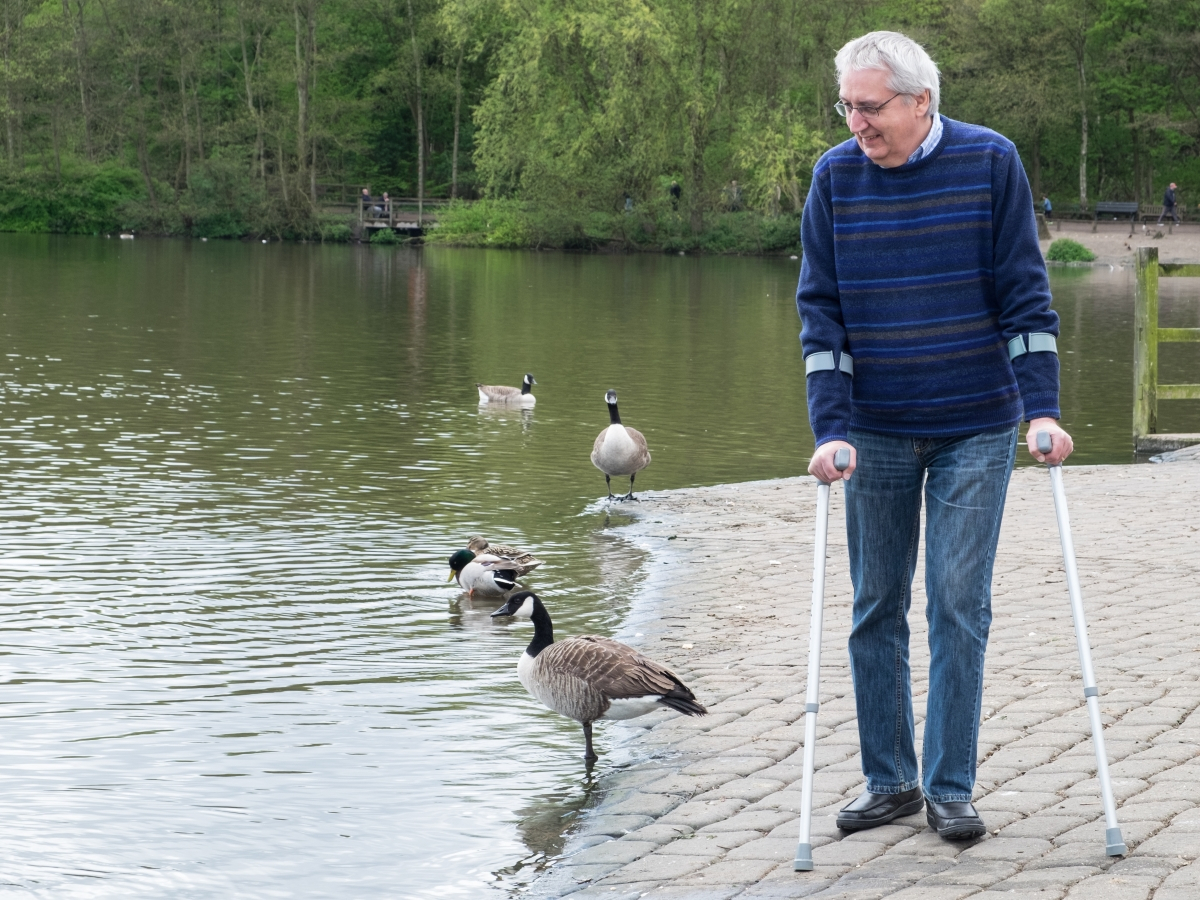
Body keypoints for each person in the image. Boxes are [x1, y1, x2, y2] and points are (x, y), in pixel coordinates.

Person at [797, 31, 1071, 842]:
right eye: (846, 106)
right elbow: (821, 312)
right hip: (873, 428)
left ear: (922, 101)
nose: (856, 122)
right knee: (875, 605)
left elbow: (1024, 294)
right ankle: (890, 781)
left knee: (957, 603)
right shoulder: (835, 177)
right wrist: (830, 427)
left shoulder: (991, 162)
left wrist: (1043, 411)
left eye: (870, 106)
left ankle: (951, 787)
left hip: (975, 423)